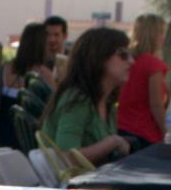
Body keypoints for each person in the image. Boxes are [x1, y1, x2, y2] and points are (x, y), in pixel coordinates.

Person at [39, 26, 132, 171]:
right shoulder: (77, 100)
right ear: (100, 57)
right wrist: (112, 142)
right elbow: (66, 158)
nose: (132, 61)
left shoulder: (107, 102)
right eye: (123, 55)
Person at [116, 12, 169, 148]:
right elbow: (156, 105)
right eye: (161, 33)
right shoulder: (153, 65)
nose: (164, 38)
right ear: (154, 35)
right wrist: (167, 133)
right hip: (144, 133)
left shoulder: (126, 61)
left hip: (120, 128)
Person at [43, 15, 69, 80]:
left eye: (56, 35)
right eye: (48, 34)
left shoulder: (72, 60)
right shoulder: (37, 60)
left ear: (65, 36)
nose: (52, 39)